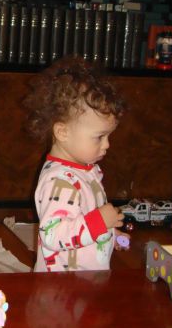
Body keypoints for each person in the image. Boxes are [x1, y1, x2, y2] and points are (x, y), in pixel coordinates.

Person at [24, 57, 128, 272]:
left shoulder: (84, 170)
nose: (107, 145)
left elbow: (81, 218)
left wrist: (108, 234)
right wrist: (99, 222)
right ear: (63, 132)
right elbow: (53, 235)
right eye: (99, 137)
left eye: (108, 136)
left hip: (84, 281)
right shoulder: (59, 182)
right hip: (63, 285)